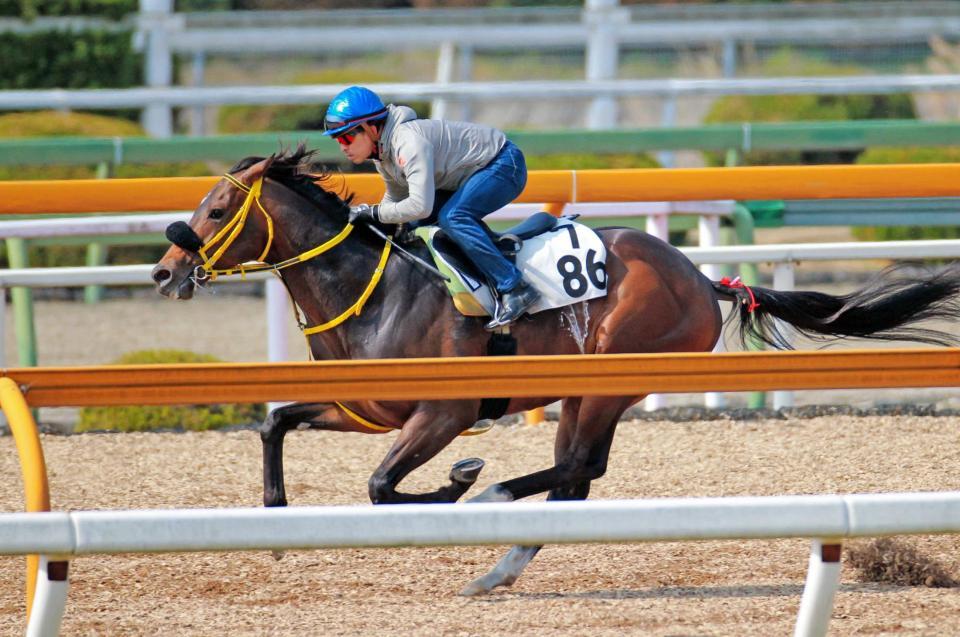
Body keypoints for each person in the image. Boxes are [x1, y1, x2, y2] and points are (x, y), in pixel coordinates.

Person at [322, 85, 540, 330]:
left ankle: (514, 287)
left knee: (454, 217)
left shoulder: (407, 143)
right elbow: (394, 201)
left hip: (504, 164)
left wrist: (371, 212)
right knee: (413, 227)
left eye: (347, 137)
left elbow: (419, 205)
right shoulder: (383, 155)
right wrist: (371, 220)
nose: (342, 146)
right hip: (474, 172)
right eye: (337, 139)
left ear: (371, 128)